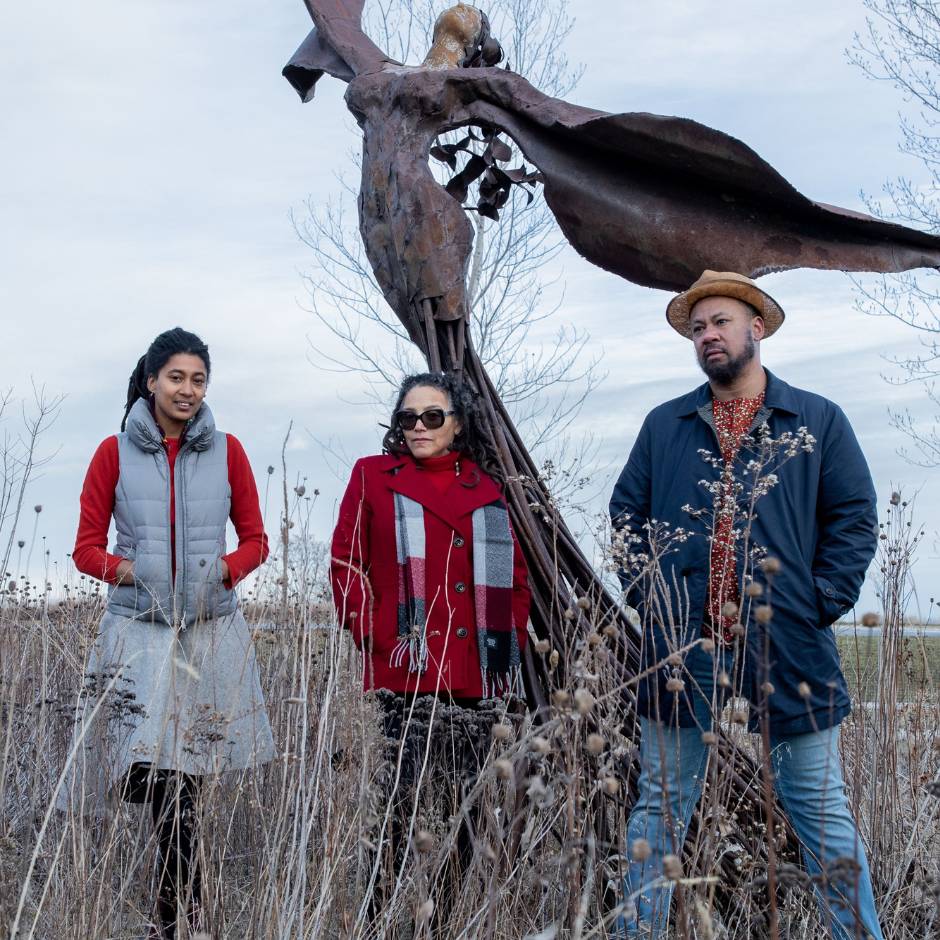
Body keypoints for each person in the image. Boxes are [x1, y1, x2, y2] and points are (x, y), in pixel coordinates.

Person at [609, 271, 882, 940]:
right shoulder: (664, 424)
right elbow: (626, 518)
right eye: (697, 327)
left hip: (787, 643)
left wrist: (817, 600)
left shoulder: (815, 420)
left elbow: (855, 516)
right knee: (661, 810)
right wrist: (656, 600)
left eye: (720, 322)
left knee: (820, 812)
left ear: (755, 328)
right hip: (683, 650)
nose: (708, 335)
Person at [66, 328, 276, 939]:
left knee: (184, 787)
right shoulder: (114, 452)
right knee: (161, 782)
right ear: (152, 380)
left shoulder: (228, 450)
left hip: (209, 635)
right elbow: (85, 550)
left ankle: (178, 921)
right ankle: (187, 919)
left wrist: (222, 575)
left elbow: (257, 541)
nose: (187, 389)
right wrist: (138, 572)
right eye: (176, 377)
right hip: (139, 635)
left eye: (198, 379)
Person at [330, 371, 531, 917]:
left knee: (468, 810)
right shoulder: (373, 476)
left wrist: (504, 638)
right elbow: (345, 564)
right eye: (407, 418)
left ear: (457, 424)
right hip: (406, 671)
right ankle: (375, 920)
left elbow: (514, 578)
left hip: (473, 672)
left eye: (432, 417)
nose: (418, 427)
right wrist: (375, 633)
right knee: (399, 809)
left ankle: (437, 920)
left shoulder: (486, 487)